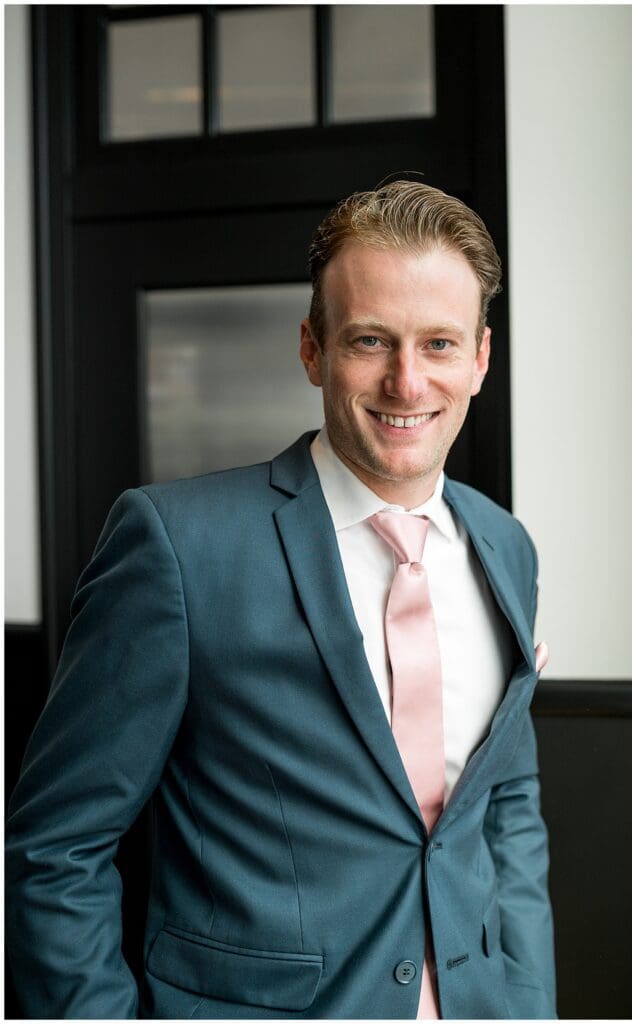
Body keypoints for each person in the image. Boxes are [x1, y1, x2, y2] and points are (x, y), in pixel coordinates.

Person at [6, 181, 556, 1019]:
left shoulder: (506, 547)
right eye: (371, 340)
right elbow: (54, 847)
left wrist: (529, 1003)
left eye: (439, 344)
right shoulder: (177, 546)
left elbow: (505, 810)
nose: (408, 383)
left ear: (481, 357)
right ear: (312, 348)